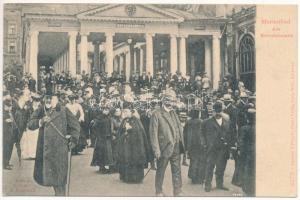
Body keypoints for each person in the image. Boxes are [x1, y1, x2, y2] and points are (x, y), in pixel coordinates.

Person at [27, 94, 80, 196]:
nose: (48, 100)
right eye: (46, 97)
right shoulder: (41, 110)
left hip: (60, 149)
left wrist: (73, 139)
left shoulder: (64, 110)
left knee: (60, 180)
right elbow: (30, 124)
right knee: (52, 178)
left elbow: (75, 125)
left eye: (51, 98)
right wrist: (40, 121)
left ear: (56, 99)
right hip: (45, 150)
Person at [149, 94, 185, 196]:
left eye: (173, 101)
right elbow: (153, 134)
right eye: (169, 101)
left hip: (176, 146)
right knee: (161, 170)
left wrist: (181, 142)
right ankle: (158, 191)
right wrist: (156, 150)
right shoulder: (156, 114)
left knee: (176, 170)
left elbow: (178, 128)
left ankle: (177, 191)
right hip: (164, 147)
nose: (171, 103)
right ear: (164, 101)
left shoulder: (174, 112)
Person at [116, 102, 151, 183]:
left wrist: (131, 129)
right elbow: (120, 132)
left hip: (135, 146)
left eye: (126, 111)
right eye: (124, 111)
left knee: (134, 160)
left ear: (131, 112)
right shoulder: (124, 120)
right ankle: (126, 177)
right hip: (125, 145)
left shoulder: (136, 121)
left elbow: (139, 133)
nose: (125, 113)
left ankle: (136, 178)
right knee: (125, 159)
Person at [201, 101, 231, 192]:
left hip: (223, 149)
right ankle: (208, 185)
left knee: (221, 167)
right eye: (216, 110)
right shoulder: (206, 122)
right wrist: (205, 144)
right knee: (210, 167)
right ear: (214, 110)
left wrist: (228, 144)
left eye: (220, 110)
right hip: (212, 149)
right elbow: (202, 134)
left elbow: (229, 134)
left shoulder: (226, 121)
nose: (218, 112)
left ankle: (219, 184)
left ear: (222, 110)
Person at [184, 109, 206, 184]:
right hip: (200, 144)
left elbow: (185, 134)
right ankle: (200, 178)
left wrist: (186, 145)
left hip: (191, 144)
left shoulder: (188, 122)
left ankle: (193, 177)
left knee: (193, 161)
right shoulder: (201, 122)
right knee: (201, 161)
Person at [90, 106, 114, 173]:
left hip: (108, 137)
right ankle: (101, 167)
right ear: (102, 110)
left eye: (107, 110)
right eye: (105, 110)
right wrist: (98, 135)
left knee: (108, 153)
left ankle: (108, 166)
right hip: (101, 138)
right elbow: (94, 127)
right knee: (101, 153)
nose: (106, 111)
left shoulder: (109, 118)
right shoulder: (99, 118)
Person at [238, 108, 256, 196]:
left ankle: (248, 189)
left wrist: (240, 151)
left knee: (247, 170)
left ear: (247, 117)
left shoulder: (244, 128)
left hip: (247, 153)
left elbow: (241, 142)